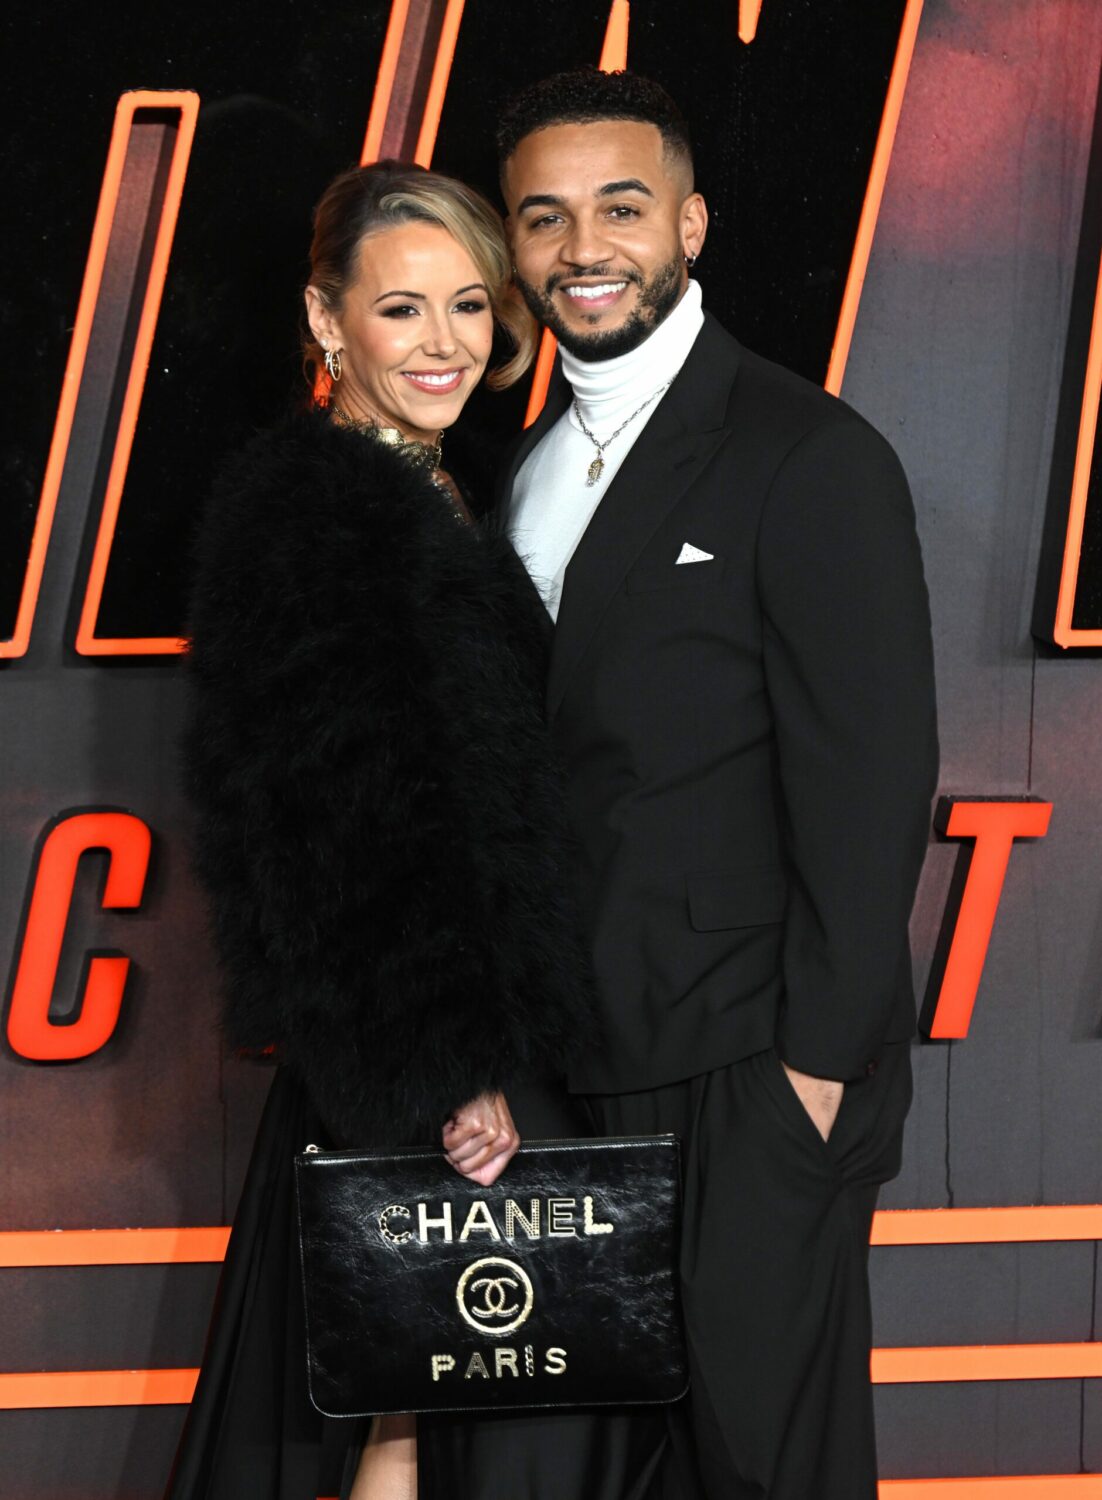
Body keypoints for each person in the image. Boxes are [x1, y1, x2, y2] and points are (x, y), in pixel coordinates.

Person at [495, 69, 940, 1500]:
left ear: (689, 221)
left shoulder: (804, 454)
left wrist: (813, 1072)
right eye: (544, 217)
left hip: (749, 1069)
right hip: (566, 1074)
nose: (584, 249)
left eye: (620, 208)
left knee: (759, 1473)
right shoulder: (524, 470)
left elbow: (873, 789)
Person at [165, 161, 628, 1500]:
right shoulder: (307, 508)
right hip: (417, 1054)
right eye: (403, 311)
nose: (445, 344)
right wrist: (441, 1068)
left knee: (430, 1403)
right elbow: (322, 820)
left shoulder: (449, 485)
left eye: (471, 307)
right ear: (325, 321)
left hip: (465, 1034)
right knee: (416, 1403)